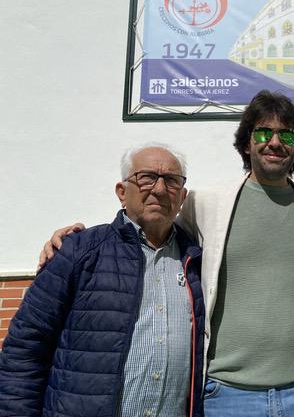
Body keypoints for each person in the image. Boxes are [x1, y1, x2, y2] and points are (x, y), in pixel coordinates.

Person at [40, 91, 294, 417]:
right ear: (246, 143)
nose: (274, 141)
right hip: (228, 394)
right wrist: (78, 240)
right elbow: (153, 228)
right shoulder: (206, 203)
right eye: (262, 132)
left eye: (285, 134)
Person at [0, 144, 205, 416]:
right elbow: (25, 351)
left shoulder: (199, 262)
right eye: (146, 177)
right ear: (122, 192)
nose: (158, 189)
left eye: (171, 180)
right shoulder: (78, 251)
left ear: (182, 196)